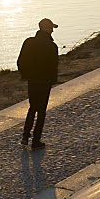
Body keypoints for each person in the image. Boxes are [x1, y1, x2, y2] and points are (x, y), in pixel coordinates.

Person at [16, 17, 59, 150]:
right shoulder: (52, 46)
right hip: (45, 82)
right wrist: (53, 80)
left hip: (32, 81)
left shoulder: (28, 42)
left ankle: (25, 136)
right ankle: (36, 141)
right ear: (46, 28)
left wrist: (25, 75)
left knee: (32, 107)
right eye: (51, 28)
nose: (52, 30)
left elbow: (20, 61)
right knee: (41, 112)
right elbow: (54, 65)